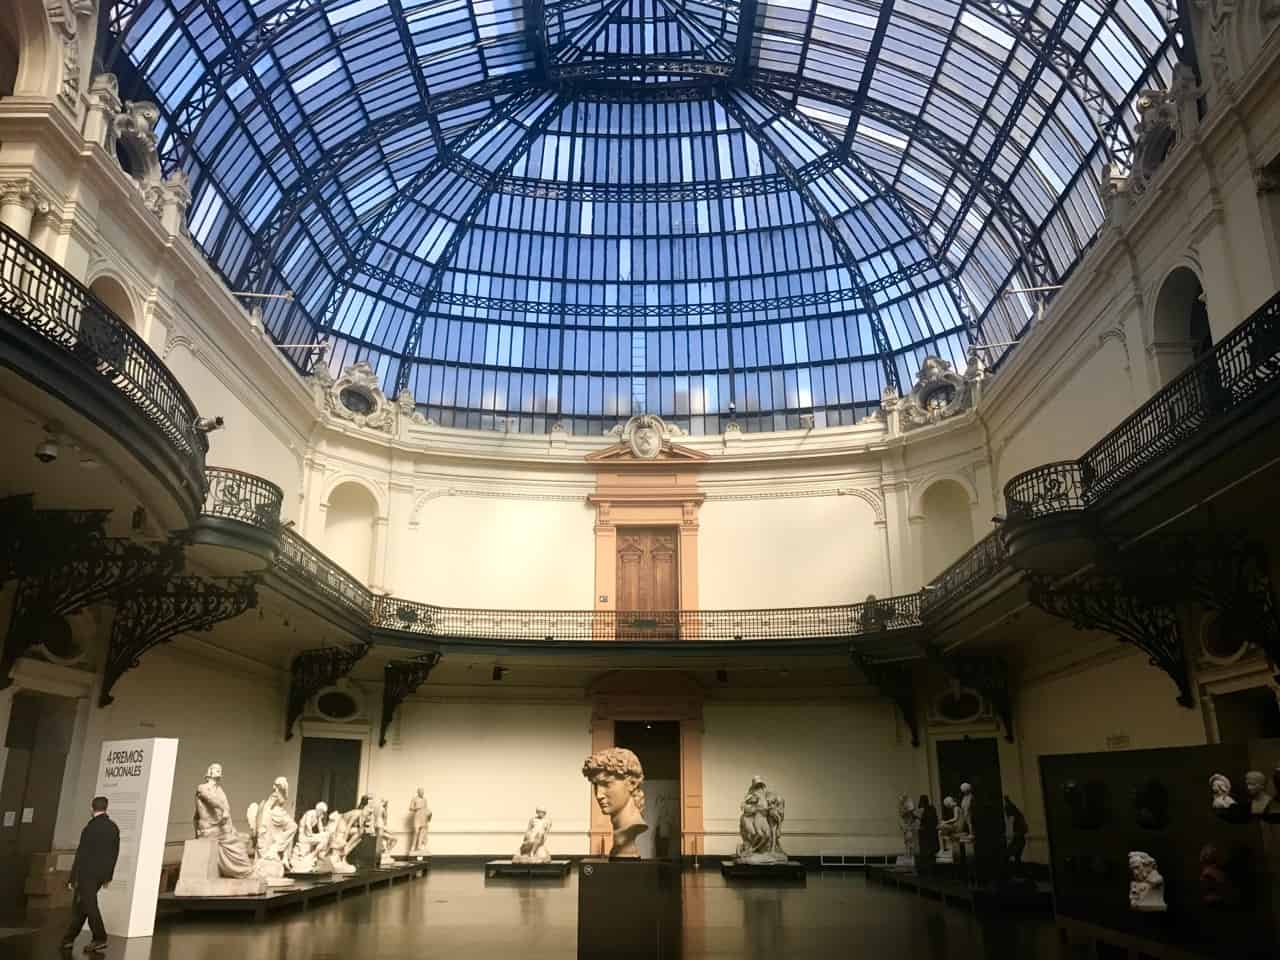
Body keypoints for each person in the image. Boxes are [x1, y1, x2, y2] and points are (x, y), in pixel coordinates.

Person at [62, 796, 120, 954]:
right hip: (101, 875)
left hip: (87, 874)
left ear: (92, 808)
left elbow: (81, 855)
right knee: (84, 905)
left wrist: (72, 878)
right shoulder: (113, 827)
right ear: (106, 808)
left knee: (89, 905)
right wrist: (108, 876)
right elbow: (114, 854)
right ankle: (68, 939)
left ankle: (100, 938)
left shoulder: (89, 828)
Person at [916, 795, 939, 877]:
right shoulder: (931, 809)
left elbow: (919, 821)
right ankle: (930, 871)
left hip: (927, 834)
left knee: (927, 854)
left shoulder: (926, 809)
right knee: (929, 854)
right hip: (929, 834)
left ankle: (929, 871)